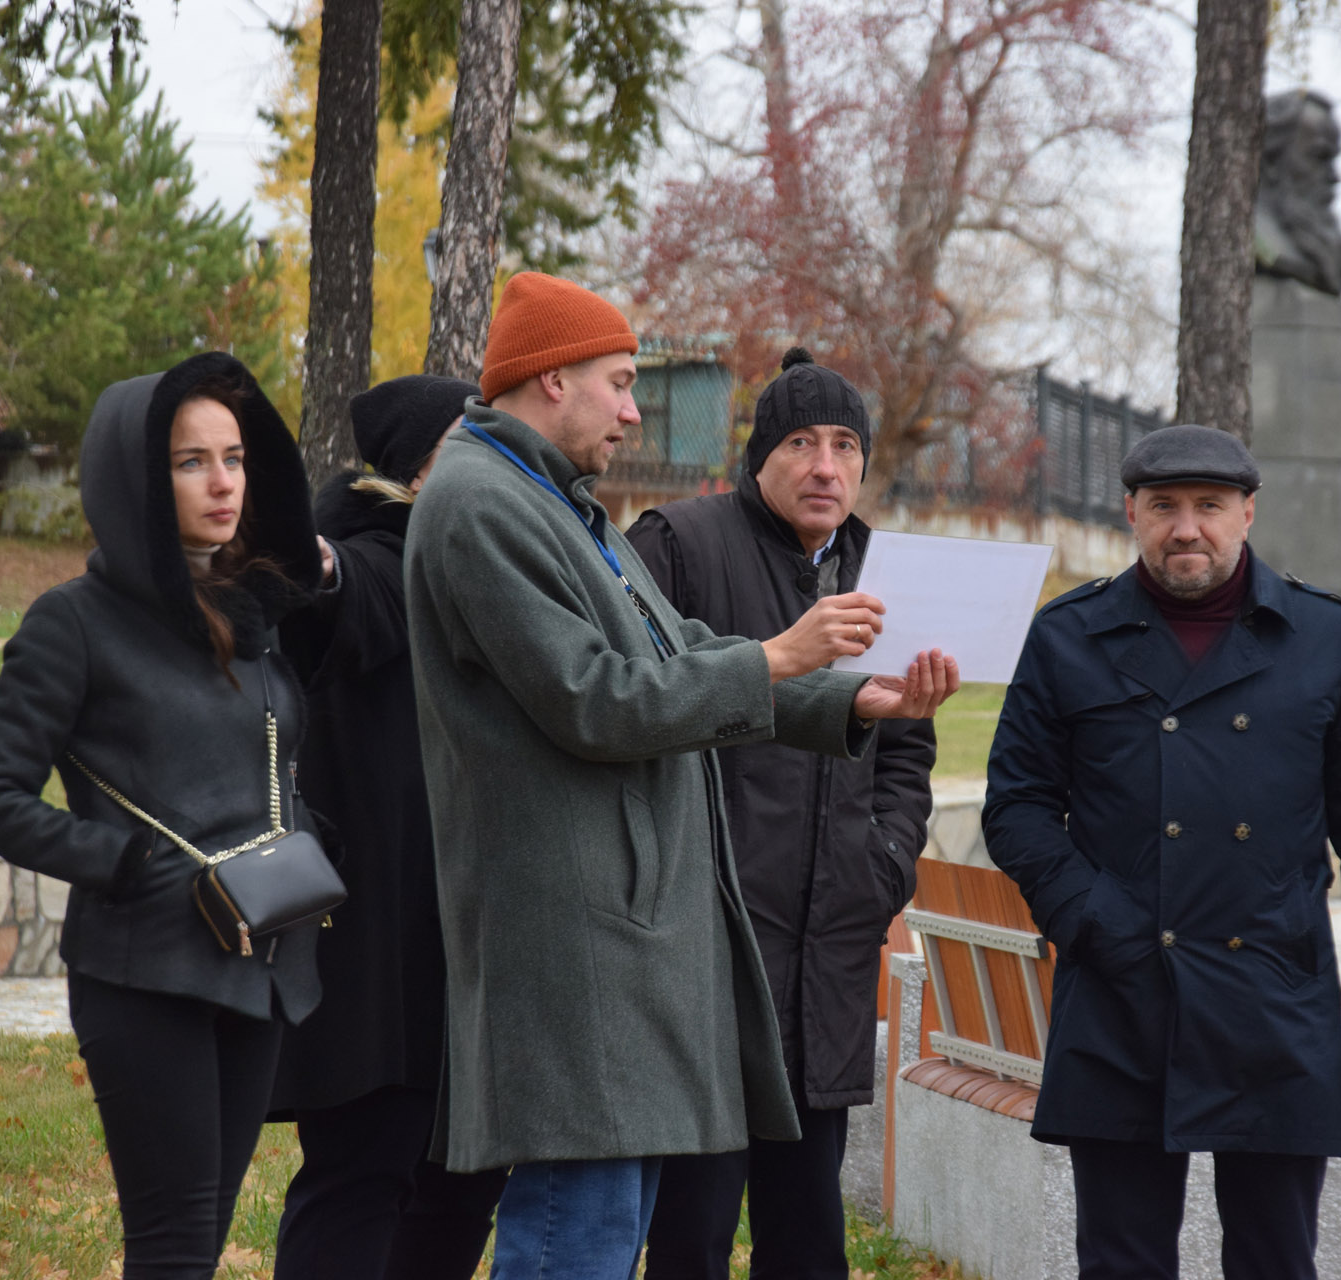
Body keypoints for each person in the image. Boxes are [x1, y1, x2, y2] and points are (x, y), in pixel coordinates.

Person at [403, 272, 959, 1280]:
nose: (631, 409)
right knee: (575, 1237)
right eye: (617, 383)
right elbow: (596, 695)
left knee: (606, 1237)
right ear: (548, 377)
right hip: (578, 952)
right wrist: (780, 657)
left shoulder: (556, 502)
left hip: (621, 950)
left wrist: (848, 701)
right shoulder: (480, 504)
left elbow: (677, 647)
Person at [980, 424, 1341, 1280]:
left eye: (1210, 508)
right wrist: (1089, 916)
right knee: (1120, 1264)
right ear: (1131, 514)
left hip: (1273, 996)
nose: (1187, 528)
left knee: (1275, 1262)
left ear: (1248, 513)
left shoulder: (1325, 638)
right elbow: (1019, 806)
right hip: (1118, 995)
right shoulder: (1068, 636)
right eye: (1165, 508)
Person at [0, 352, 325, 1279]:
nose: (222, 482)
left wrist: (314, 839)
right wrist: (120, 862)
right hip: (145, 974)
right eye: (189, 461)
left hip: (258, 962)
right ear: (136, 476)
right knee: (171, 1245)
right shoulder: (74, 622)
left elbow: (271, 768)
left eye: (235, 458)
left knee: (203, 1239)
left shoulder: (253, 614)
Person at [627, 348, 936, 1280]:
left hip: (831, 944)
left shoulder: (886, 568)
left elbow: (907, 742)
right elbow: (637, 703)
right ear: (759, 455)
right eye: (802, 443)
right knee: (693, 1228)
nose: (826, 466)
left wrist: (884, 858)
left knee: (808, 1236)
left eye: (846, 445)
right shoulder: (678, 545)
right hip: (710, 944)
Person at [270, 375, 507, 1280]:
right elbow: (348, 590)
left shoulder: (468, 554)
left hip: (447, 957)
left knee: (455, 1186)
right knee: (359, 1182)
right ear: (422, 467)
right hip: (370, 957)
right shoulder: (381, 548)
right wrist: (315, 565)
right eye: (475, 440)